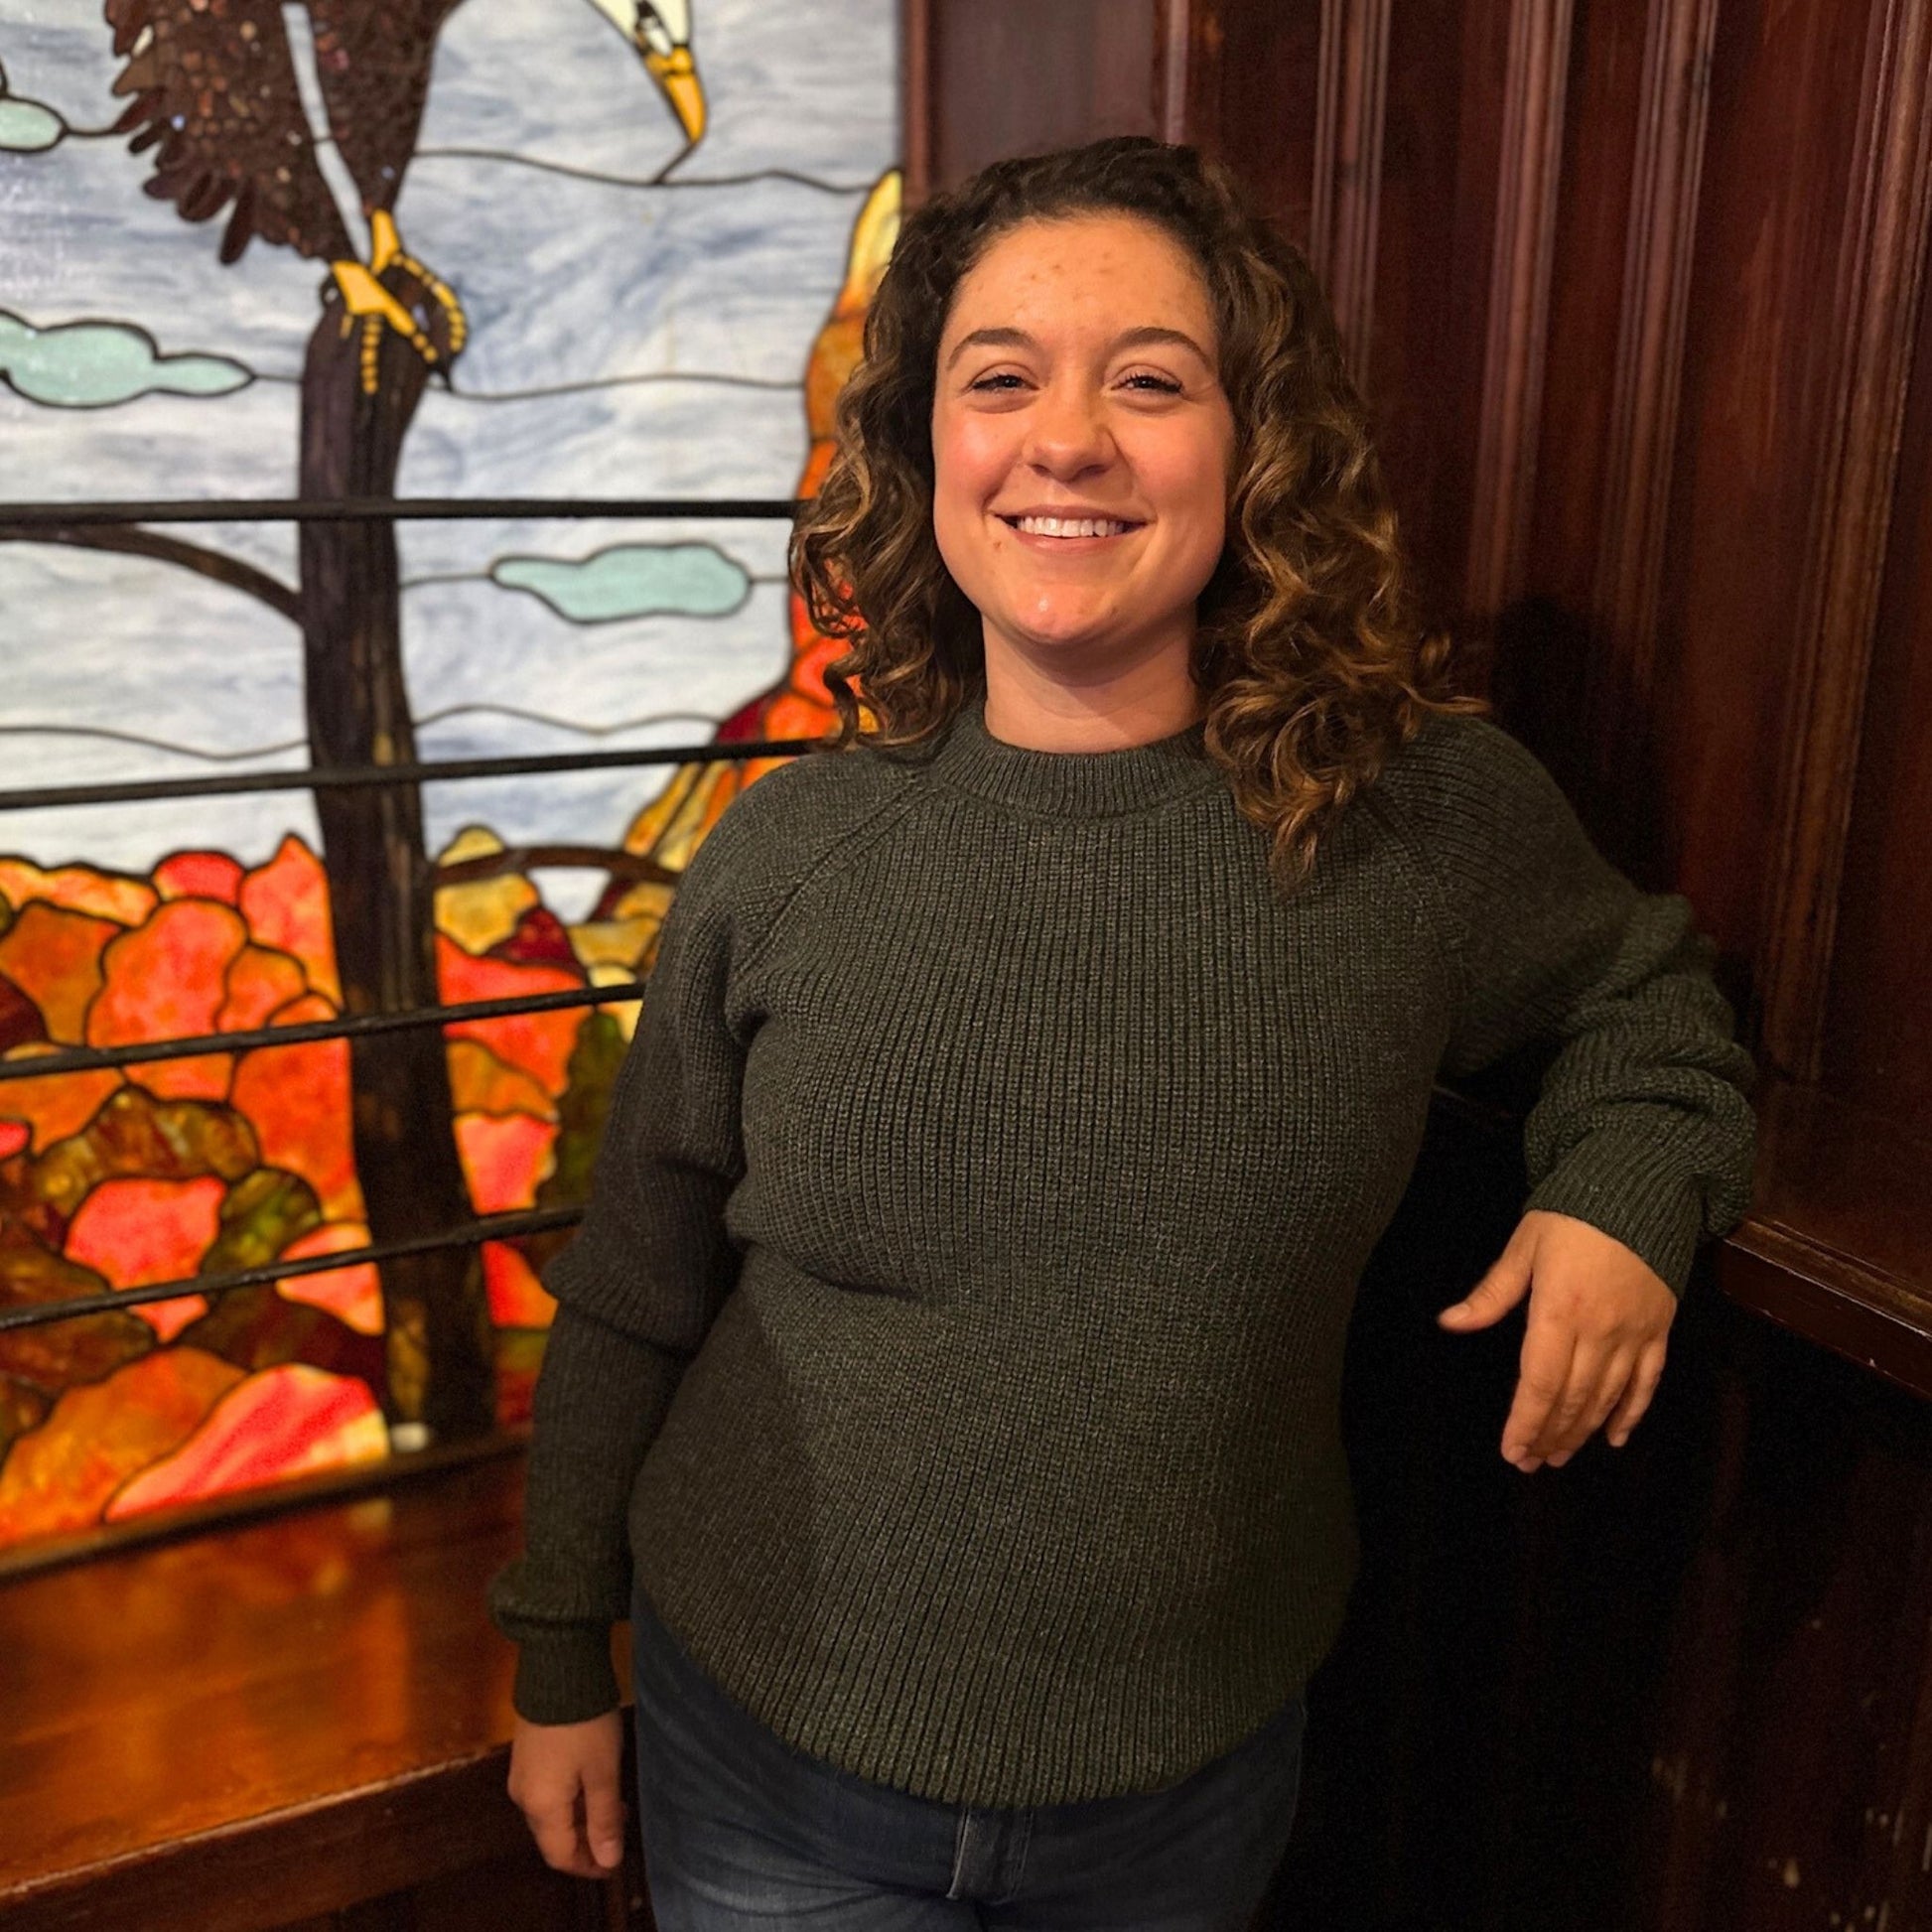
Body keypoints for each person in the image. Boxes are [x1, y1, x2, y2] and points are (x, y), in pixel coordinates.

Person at [487, 135, 1758, 1929]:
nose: (1064, 438)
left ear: (1255, 451)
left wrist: (1626, 1192)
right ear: (927, 446)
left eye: (1146, 382)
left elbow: (1648, 1000)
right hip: (765, 1760)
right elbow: (633, 1289)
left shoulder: (1410, 818)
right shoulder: (786, 858)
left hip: (1186, 1786)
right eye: (997, 378)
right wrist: (556, 1656)